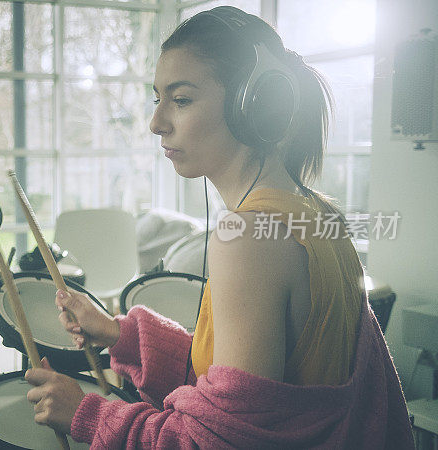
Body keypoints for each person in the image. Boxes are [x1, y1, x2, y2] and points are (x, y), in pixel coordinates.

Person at [24, 6, 413, 448]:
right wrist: (120, 334)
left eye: (182, 99)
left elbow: (216, 439)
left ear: (254, 107)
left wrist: (87, 414)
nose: (157, 123)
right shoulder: (319, 216)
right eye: (158, 98)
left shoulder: (248, 237)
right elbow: (250, 391)